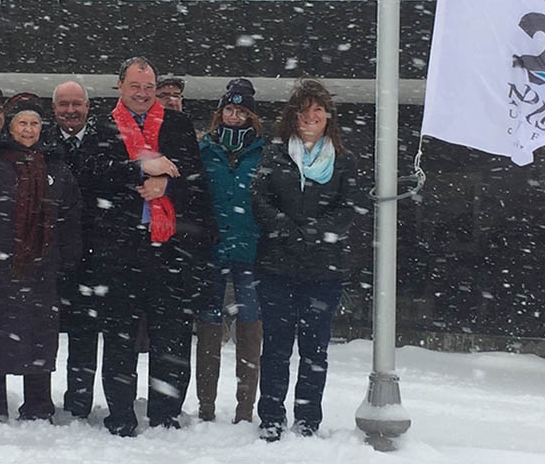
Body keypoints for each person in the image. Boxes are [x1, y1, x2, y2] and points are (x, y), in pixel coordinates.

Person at [75, 57, 216, 436]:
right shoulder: (102, 125)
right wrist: (140, 168)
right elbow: (90, 178)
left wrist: (167, 185)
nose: (142, 93)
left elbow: (197, 182)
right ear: (120, 86)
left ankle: (165, 415)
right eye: (135, 86)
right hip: (119, 250)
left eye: (149, 87)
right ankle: (121, 416)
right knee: (119, 339)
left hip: (170, 250)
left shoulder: (178, 125)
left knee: (172, 338)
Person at [0, 93, 82, 421]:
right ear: (10, 127)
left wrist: (68, 260)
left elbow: (69, 217)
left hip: (42, 267)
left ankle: (38, 406)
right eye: (22, 123)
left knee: (40, 338)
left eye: (34, 123)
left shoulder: (56, 167)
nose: (28, 129)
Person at [252, 78, 363, 441]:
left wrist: (313, 233)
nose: (311, 116)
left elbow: (347, 209)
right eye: (304, 110)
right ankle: (271, 417)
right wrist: (287, 230)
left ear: (328, 115)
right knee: (276, 348)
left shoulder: (344, 160)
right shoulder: (275, 153)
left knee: (314, 351)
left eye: (318, 109)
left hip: (323, 270)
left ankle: (307, 420)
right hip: (276, 267)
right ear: (293, 115)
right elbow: (260, 200)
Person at [195, 78, 266, 423]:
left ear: (251, 116)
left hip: (250, 252)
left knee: (250, 327)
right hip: (212, 250)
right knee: (208, 325)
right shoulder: (204, 149)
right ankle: (206, 406)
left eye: (241, 111)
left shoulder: (264, 152)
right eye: (229, 110)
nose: (234, 116)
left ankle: (244, 409)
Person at [44, 80, 100, 418]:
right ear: (54, 109)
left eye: (76, 104)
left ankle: (80, 402)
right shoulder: (41, 142)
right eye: (63, 104)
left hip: (93, 253)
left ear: (87, 107)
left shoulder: (104, 141)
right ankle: (39, 399)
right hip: (48, 253)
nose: (70, 110)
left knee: (84, 331)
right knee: (42, 329)